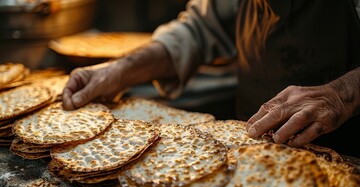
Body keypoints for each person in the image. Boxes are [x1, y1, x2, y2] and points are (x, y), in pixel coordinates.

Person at [62, 0, 360, 157]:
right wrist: (119, 70)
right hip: (253, 147)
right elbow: (200, 29)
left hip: (347, 152)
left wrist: (341, 94)